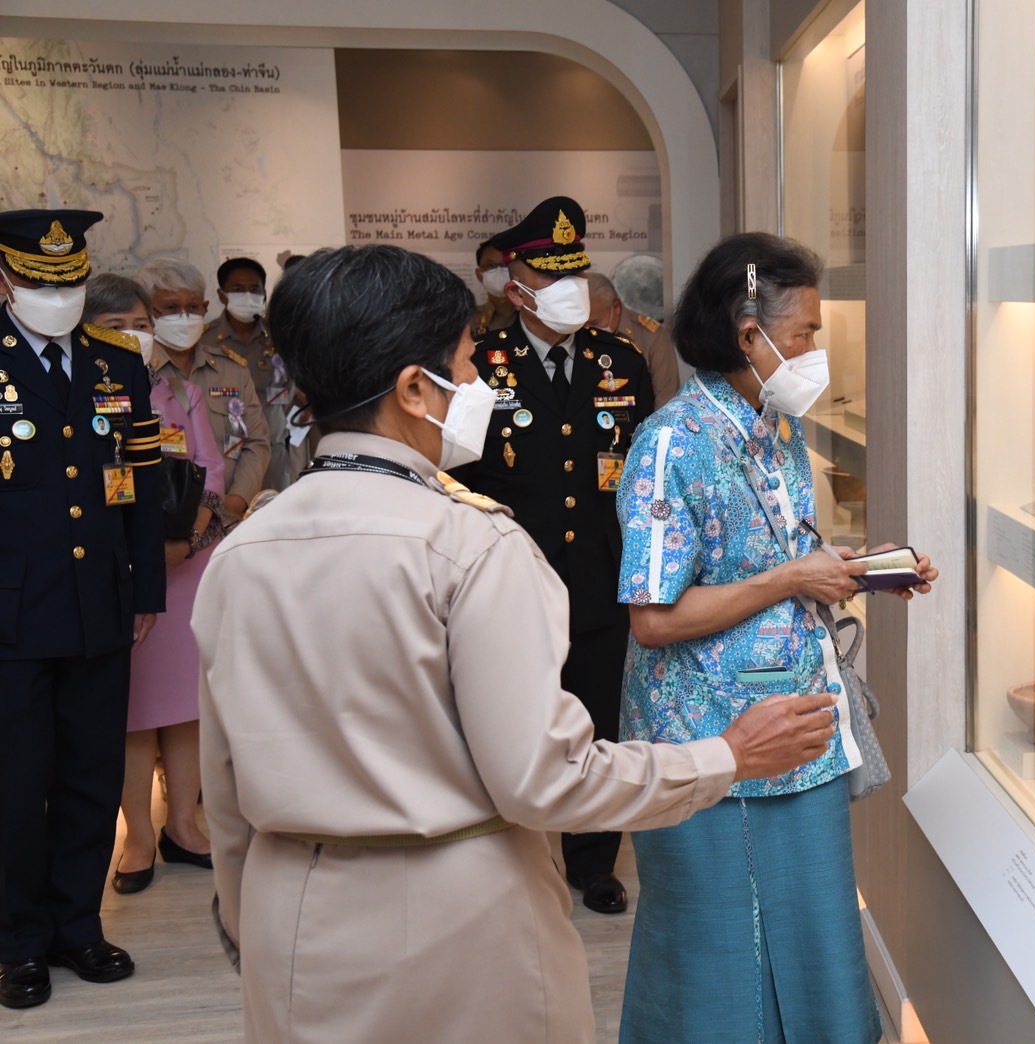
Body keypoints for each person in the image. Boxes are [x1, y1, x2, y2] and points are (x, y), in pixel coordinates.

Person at [193, 243, 837, 1041]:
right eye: (467, 364)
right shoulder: (473, 548)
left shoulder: (242, 554)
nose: (479, 386)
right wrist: (727, 757)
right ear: (414, 390)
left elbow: (224, 789)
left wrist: (252, 924)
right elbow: (546, 780)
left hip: (293, 919)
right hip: (461, 924)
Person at [615, 232, 937, 1043]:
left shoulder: (777, 430)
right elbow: (653, 618)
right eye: (806, 333)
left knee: (817, 938)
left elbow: (778, 560)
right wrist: (794, 578)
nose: (815, 350)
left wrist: (858, 571)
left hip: (798, 733)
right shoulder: (672, 443)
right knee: (719, 957)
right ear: (749, 334)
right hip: (714, 745)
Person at [453, 196, 654, 915]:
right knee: (512, 717)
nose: (571, 289)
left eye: (576, 274)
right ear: (516, 289)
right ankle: (511, 858)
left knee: (598, 720)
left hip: (600, 577)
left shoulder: (620, 361)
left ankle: (593, 861)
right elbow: (460, 480)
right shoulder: (483, 365)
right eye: (553, 277)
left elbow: (643, 477)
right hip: (513, 577)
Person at [0, 209, 165, 1009]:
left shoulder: (117, 362)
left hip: (99, 601)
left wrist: (144, 591)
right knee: (16, 783)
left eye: (70, 283)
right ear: (6, 281)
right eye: (40, 283)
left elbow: (140, 485)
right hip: (11, 612)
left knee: (92, 776)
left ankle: (77, 925)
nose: (57, 298)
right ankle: (18, 941)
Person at [84, 274, 225, 896]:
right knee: (135, 714)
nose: (134, 337)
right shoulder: (81, 393)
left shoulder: (180, 391)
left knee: (186, 707)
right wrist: (135, 552)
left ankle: (185, 826)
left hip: (186, 568)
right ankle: (139, 837)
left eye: (141, 325)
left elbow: (212, 468)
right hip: (119, 571)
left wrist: (187, 539)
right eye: (117, 327)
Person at [136, 257, 269, 529]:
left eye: (193, 307)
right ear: (150, 312)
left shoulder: (232, 369)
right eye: (171, 308)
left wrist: (237, 500)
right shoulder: (137, 371)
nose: (184, 316)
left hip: (229, 520)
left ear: (205, 307)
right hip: (162, 522)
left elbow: (256, 441)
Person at [201, 257, 295, 490]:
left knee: (275, 506)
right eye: (238, 289)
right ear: (222, 295)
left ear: (264, 293)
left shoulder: (280, 336)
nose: (247, 295)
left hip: (273, 448)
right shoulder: (206, 340)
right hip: (226, 453)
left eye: (254, 289)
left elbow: (292, 388)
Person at [586, 271, 681, 408]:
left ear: (616, 307)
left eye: (594, 322)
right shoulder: (572, 334)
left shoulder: (652, 337)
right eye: (582, 323)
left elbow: (667, 401)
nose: (587, 330)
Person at [471, 237, 516, 337]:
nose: (499, 271)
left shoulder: (535, 316)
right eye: (491, 266)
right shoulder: (468, 320)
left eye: (506, 265)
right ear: (479, 275)